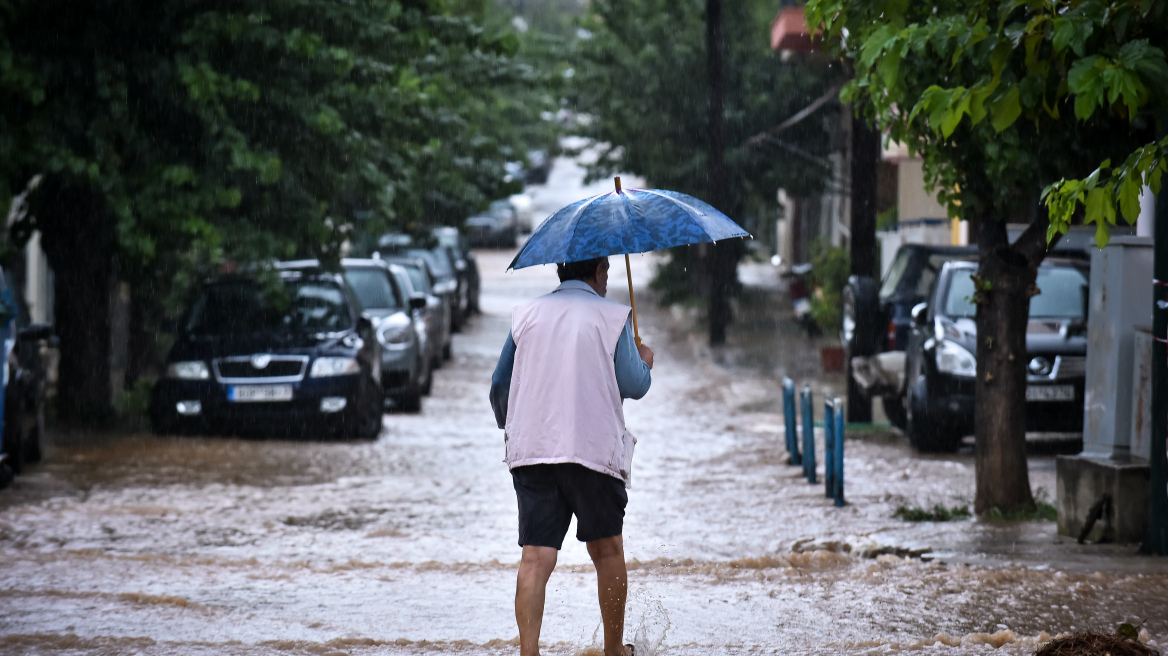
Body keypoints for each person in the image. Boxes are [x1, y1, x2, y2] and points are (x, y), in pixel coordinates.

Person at [490, 256, 654, 656]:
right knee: (607, 550)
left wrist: (513, 426)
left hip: (534, 451)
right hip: (592, 451)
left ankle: (529, 653)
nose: (607, 281)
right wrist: (645, 359)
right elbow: (634, 385)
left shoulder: (525, 315)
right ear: (598, 271)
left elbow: (500, 386)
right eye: (607, 273)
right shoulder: (613, 317)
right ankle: (614, 652)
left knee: (535, 557)